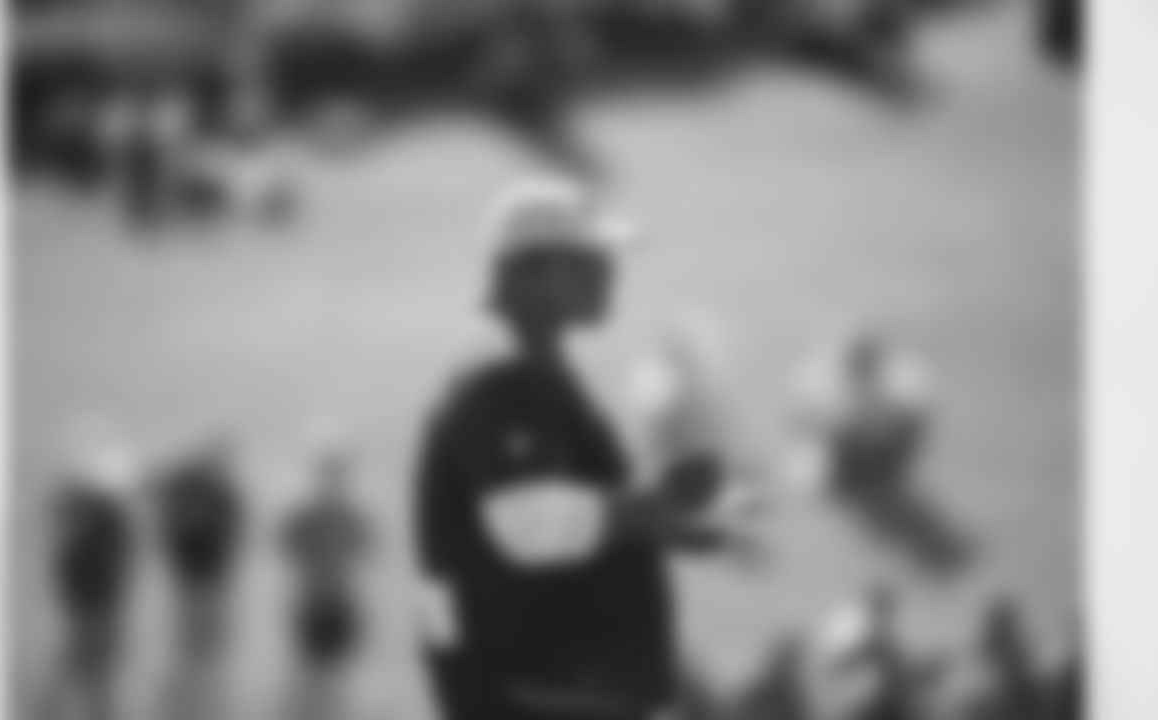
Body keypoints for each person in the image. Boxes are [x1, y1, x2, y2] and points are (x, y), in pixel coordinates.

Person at [414, 179, 739, 720]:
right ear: (533, 272)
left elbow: (559, 512)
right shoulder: (504, 373)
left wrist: (662, 522)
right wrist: (654, 507)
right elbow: (528, 524)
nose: (611, 273)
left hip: (546, 682)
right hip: (533, 686)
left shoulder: (525, 362)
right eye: (591, 261)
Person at [785, 324, 971, 577]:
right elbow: (806, 421)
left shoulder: (902, 384)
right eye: (856, 363)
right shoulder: (822, 383)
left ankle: (873, 481)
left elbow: (913, 422)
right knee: (840, 483)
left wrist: (884, 436)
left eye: (866, 363)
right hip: (843, 449)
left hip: (879, 448)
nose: (861, 369)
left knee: (875, 478)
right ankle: (853, 485)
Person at [40, 439, 139, 720]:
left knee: (87, 664)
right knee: (89, 664)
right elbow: (87, 565)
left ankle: (69, 708)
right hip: (96, 604)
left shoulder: (94, 519)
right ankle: (78, 709)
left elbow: (73, 565)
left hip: (95, 603)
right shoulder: (101, 520)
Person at [148, 437, 246, 720]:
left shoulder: (204, 490)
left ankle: (191, 694)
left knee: (198, 635)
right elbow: (229, 531)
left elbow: (231, 532)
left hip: (199, 573)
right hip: (200, 573)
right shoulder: (208, 490)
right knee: (201, 635)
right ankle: (191, 696)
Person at [281, 424, 372, 720]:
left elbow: (289, 548)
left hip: (332, 601)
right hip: (320, 601)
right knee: (318, 677)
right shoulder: (324, 515)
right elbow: (365, 550)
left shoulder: (341, 515)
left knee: (329, 678)